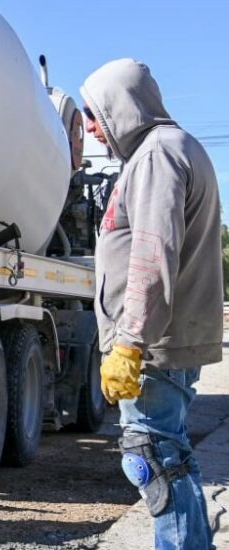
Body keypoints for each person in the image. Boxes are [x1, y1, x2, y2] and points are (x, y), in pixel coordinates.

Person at [83, 58, 221, 550]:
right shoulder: (167, 150)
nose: (93, 127)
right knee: (171, 456)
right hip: (163, 343)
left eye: (95, 113)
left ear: (122, 104)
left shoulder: (158, 155)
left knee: (151, 459)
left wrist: (130, 342)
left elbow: (151, 251)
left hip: (153, 347)